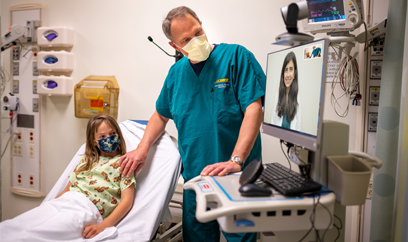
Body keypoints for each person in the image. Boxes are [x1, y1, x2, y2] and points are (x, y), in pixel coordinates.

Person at [119, 6, 265, 242]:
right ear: (175, 47)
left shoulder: (237, 57)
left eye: (198, 32)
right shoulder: (176, 74)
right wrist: (142, 148)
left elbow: (254, 109)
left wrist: (235, 160)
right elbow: (160, 115)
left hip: (237, 177)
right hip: (197, 181)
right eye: (187, 39)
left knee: (241, 237)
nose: (197, 40)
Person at [0, 114, 136, 240]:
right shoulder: (86, 161)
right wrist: (49, 207)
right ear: (94, 141)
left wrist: (102, 226)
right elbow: (66, 190)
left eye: (112, 133)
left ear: (118, 134)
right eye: (102, 137)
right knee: (21, 223)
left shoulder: (124, 164)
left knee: (38, 233)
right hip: (66, 201)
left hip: (87, 209)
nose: (108, 138)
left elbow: (126, 201)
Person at [272, 51, 301, 131]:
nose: (288, 74)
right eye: (286, 70)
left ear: (294, 73)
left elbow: (298, 127)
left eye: (291, 69)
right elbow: (273, 121)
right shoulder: (278, 95)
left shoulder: (297, 98)